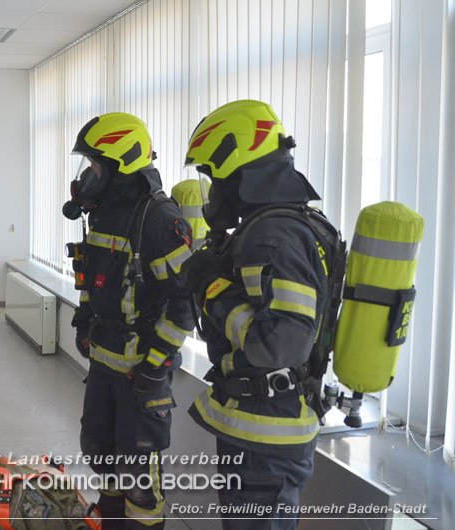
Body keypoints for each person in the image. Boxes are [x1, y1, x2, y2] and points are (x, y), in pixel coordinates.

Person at [181, 99, 330, 529]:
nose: (212, 189)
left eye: (214, 176)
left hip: (267, 435)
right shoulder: (272, 226)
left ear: (241, 169)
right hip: (261, 427)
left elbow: (279, 342)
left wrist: (212, 289)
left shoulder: (274, 235)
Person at [66, 112, 194, 529]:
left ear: (121, 165)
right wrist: (84, 319)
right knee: (103, 456)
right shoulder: (104, 213)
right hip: (104, 364)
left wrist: (156, 365)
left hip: (142, 375)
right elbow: (94, 278)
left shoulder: (158, 218)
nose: (89, 176)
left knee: (139, 477)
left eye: (96, 166)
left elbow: (184, 301)